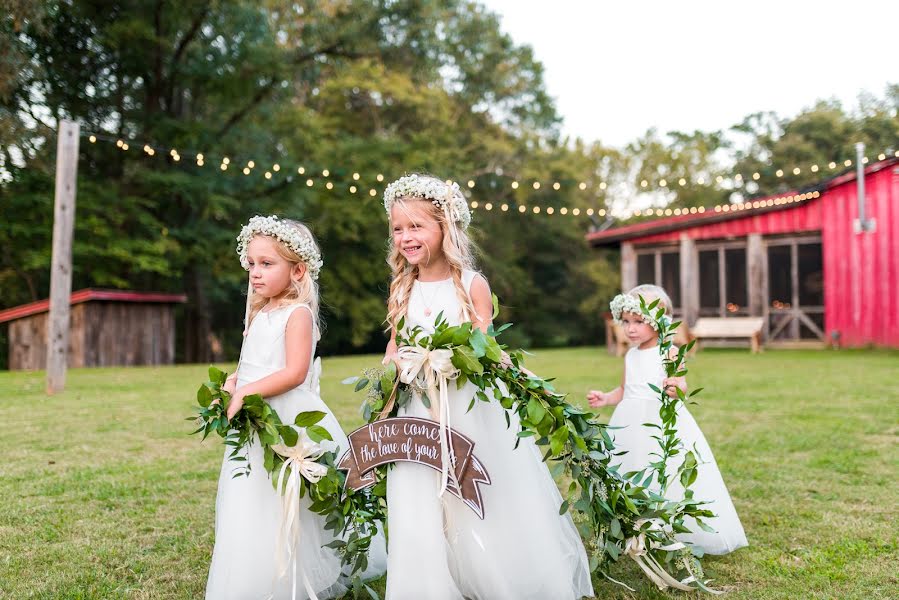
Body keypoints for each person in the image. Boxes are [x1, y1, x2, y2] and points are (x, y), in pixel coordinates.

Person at [380, 174, 594, 600]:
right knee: (419, 492)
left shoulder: (471, 284)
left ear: (446, 227)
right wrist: (392, 363)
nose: (406, 237)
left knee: (475, 491)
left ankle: (497, 574)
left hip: (464, 407)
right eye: (398, 229)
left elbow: (484, 347)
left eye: (416, 226)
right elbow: (396, 342)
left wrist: (450, 358)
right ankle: (429, 583)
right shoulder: (402, 287)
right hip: (418, 411)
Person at [206, 215, 385, 599]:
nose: (255, 273)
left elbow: (293, 371)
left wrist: (246, 392)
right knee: (253, 497)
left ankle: (301, 571)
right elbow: (250, 362)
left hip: (288, 418)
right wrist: (234, 382)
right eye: (251, 263)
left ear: (298, 269)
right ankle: (256, 572)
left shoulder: (297, 314)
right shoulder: (258, 312)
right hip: (257, 420)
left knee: (295, 500)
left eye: (267, 264)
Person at [588, 284, 748, 555]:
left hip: (660, 421)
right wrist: (606, 397)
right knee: (631, 469)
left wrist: (675, 387)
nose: (630, 328)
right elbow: (626, 389)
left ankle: (674, 526)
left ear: (658, 322)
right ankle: (637, 525)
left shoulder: (669, 351)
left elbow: (682, 385)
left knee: (666, 469)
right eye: (626, 321)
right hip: (629, 422)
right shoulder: (630, 354)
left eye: (639, 321)